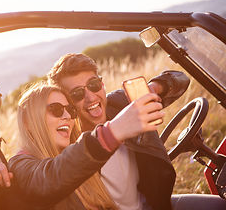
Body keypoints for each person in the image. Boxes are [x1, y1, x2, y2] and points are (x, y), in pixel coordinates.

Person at [46, 53, 226, 210]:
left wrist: (155, 88)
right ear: (68, 103)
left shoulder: (122, 104)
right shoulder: (70, 148)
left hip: (154, 205)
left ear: (102, 83)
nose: (91, 97)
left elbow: (181, 79)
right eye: (77, 94)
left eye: (93, 85)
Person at [0, 81, 165, 209]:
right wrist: (113, 131)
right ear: (28, 122)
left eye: (70, 110)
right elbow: (49, 179)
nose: (67, 116)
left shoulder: (72, 159)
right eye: (56, 109)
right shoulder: (20, 166)